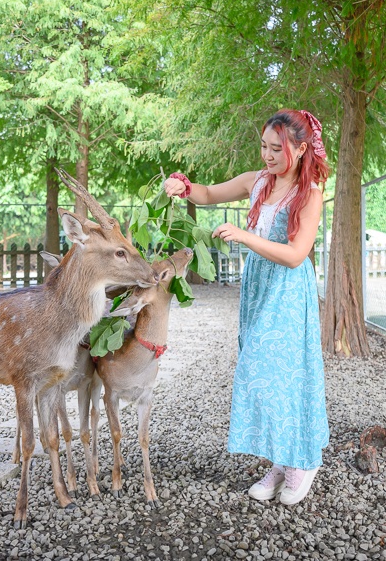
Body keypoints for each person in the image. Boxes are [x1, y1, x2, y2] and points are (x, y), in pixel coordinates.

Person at [163, 109, 330, 506]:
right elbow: (206, 194)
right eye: (263, 146)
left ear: (301, 148)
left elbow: (295, 254)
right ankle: (281, 458)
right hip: (259, 288)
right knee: (263, 371)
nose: (267, 156)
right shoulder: (256, 182)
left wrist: (243, 236)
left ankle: (301, 462)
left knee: (274, 371)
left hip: (287, 290)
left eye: (277, 148)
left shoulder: (310, 193)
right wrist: (182, 187)